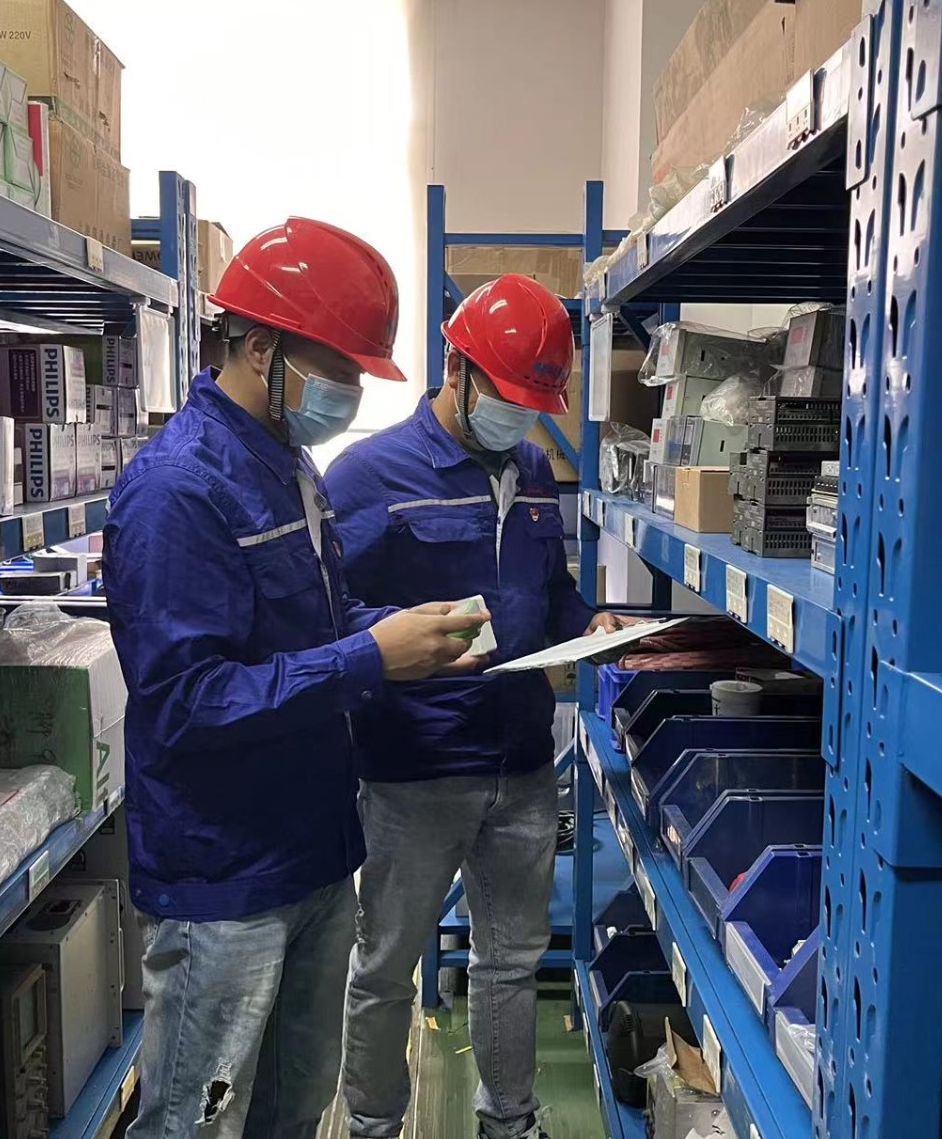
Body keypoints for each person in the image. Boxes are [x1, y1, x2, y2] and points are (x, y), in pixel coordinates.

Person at [104, 218, 492, 1139]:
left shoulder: (287, 465)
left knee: (295, 1107)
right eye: (339, 367)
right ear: (261, 348)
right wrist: (369, 657)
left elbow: (317, 623)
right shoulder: (177, 491)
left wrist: (403, 635)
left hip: (314, 851)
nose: (350, 391)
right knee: (199, 1120)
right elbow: (186, 700)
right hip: (225, 876)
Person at [325, 274, 622, 1139]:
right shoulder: (368, 473)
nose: (520, 417)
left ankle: (509, 1119)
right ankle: (373, 1122)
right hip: (413, 770)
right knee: (385, 966)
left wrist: (587, 621)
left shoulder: (531, 469)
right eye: (508, 397)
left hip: (522, 763)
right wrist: (394, 638)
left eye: (534, 404)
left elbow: (551, 589)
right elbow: (328, 614)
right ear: (455, 367)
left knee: (510, 962)